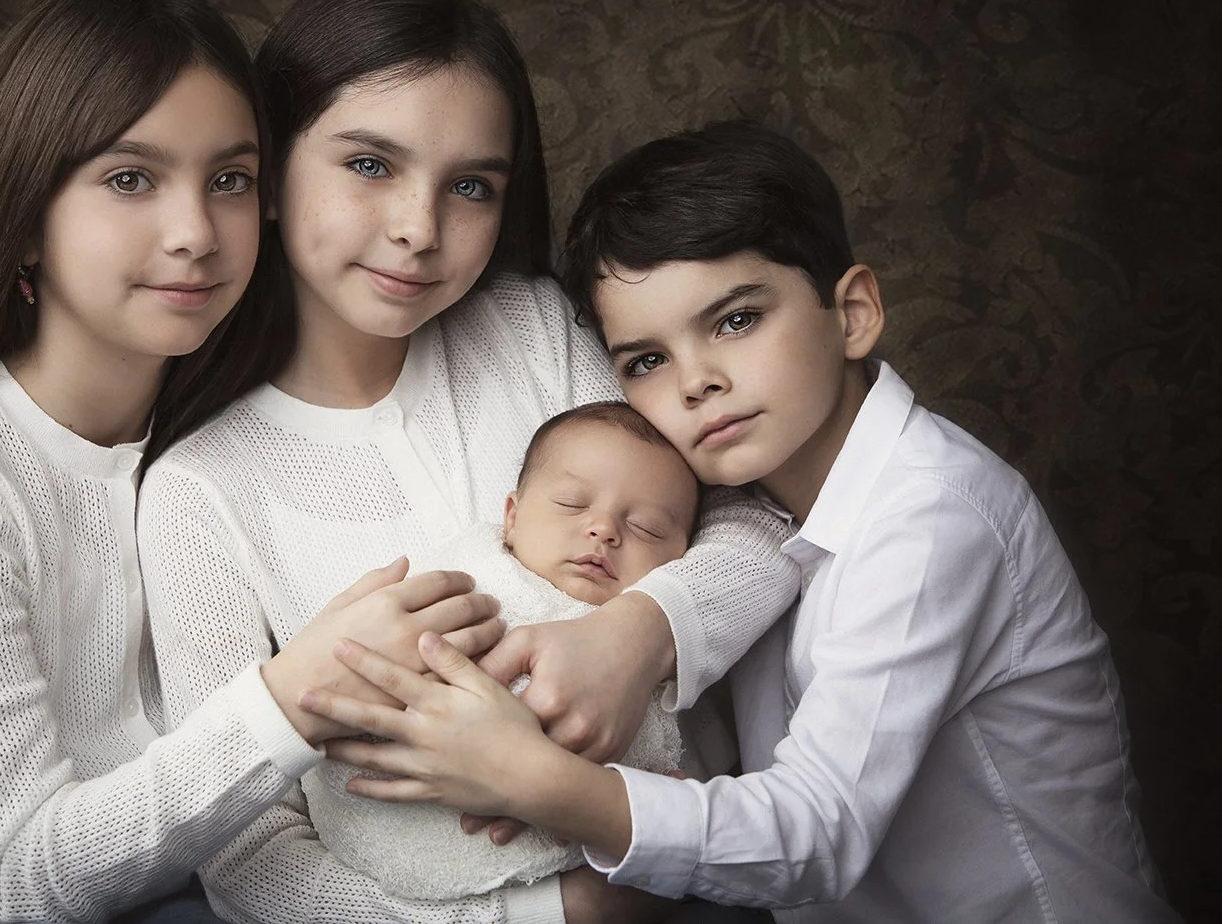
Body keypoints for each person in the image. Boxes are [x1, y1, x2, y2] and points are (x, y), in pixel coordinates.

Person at [295, 121, 1178, 923]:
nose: (695, 381)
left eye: (737, 319)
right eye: (645, 358)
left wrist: (530, 776)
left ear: (854, 313)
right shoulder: (729, 510)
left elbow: (815, 833)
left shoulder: (929, 514)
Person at [0, 0, 504, 924]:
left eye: (230, 180)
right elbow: (27, 878)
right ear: (25, 214)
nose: (195, 233)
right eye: (130, 180)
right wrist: (296, 695)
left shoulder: (214, 429)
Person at [138, 0, 800, 924]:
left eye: (470, 186)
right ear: (269, 169)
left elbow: (758, 519)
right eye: (369, 164)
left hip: (707, 867)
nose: (418, 229)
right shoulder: (202, 486)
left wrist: (638, 632)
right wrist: (545, 919)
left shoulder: (530, 332)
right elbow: (249, 855)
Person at [307, 401, 728, 901]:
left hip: (568, 877)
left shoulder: (659, 651)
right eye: (572, 503)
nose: (604, 530)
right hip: (376, 823)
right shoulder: (463, 585)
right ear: (510, 517)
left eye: (648, 529)